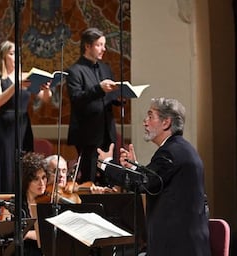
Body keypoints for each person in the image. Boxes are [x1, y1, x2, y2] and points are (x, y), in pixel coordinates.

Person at [97, 97, 211, 255]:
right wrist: (133, 166)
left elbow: (142, 183)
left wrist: (107, 164)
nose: (145, 122)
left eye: (150, 116)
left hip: (177, 248)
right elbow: (154, 180)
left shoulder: (170, 152)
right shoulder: (180, 149)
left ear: (166, 122)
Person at [0, 40, 51, 193]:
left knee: (24, 164)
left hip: (23, 124)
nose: (16, 57)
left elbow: (44, 98)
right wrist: (16, 85)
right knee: (6, 165)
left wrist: (47, 89)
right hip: (6, 126)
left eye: (17, 53)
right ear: (3, 56)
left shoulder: (26, 76)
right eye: (11, 53)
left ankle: (24, 200)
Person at [66, 27, 120, 186]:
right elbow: (76, 99)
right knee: (89, 179)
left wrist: (119, 98)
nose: (104, 49)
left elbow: (108, 97)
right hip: (87, 134)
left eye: (104, 45)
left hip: (107, 131)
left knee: (108, 176)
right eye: (99, 45)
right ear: (87, 46)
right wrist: (99, 88)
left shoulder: (105, 68)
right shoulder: (75, 71)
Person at [21, 152, 48, 256]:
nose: (41, 183)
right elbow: (9, 235)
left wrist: (30, 234)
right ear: (26, 181)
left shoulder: (49, 201)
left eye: (44, 177)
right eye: (36, 179)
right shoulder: (16, 203)